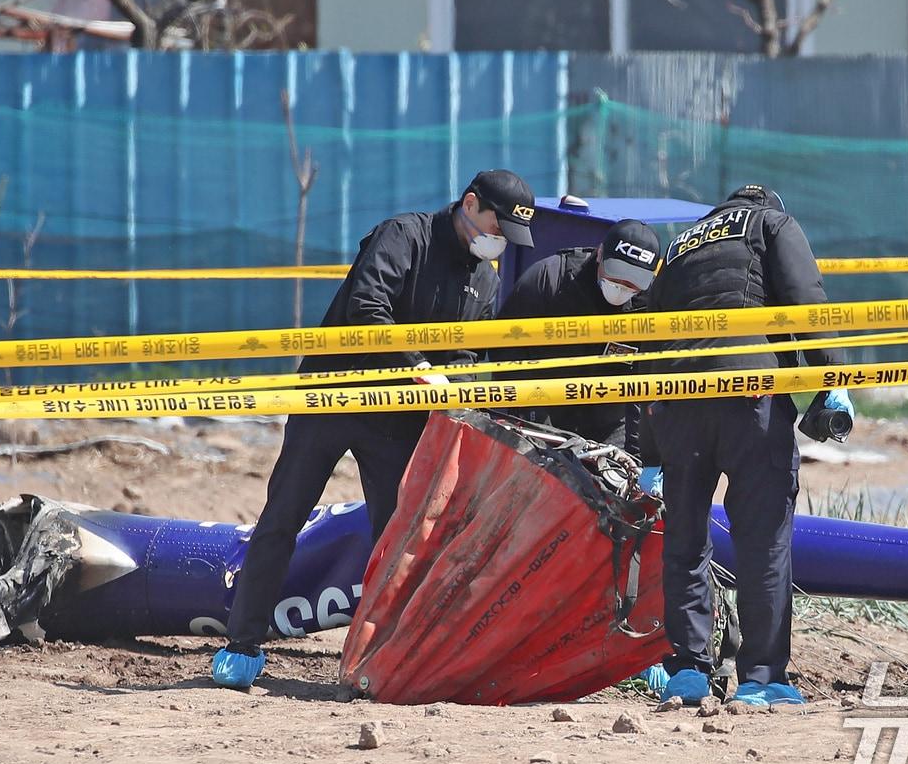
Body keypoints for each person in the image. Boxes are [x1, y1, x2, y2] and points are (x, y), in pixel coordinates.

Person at [211, 169, 535, 688]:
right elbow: (367, 307)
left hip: (399, 421)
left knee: (398, 536)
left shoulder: (486, 278)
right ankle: (242, 644)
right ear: (469, 204)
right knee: (283, 515)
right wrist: (419, 365)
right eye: (497, 227)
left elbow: (472, 351)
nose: (499, 245)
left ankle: (381, 659)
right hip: (332, 396)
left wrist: (467, 384)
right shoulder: (402, 237)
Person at [644, 185, 853, 707]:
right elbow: (807, 300)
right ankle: (761, 677)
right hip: (748, 394)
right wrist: (833, 378)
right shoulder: (772, 225)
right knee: (764, 538)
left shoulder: (680, 245)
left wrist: (650, 449)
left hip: (677, 400)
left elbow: (649, 338)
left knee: (686, 539)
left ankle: (688, 670)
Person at [495, 218, 662, 449]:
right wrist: (530, 416)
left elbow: (646, 380)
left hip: (610, 418)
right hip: (543, 406)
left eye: (632, 283)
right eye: (616, 276)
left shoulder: (653, 302)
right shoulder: (551, 279)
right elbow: (504, 352)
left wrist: (639, 452)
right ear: (600, 254)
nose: (622, 287)